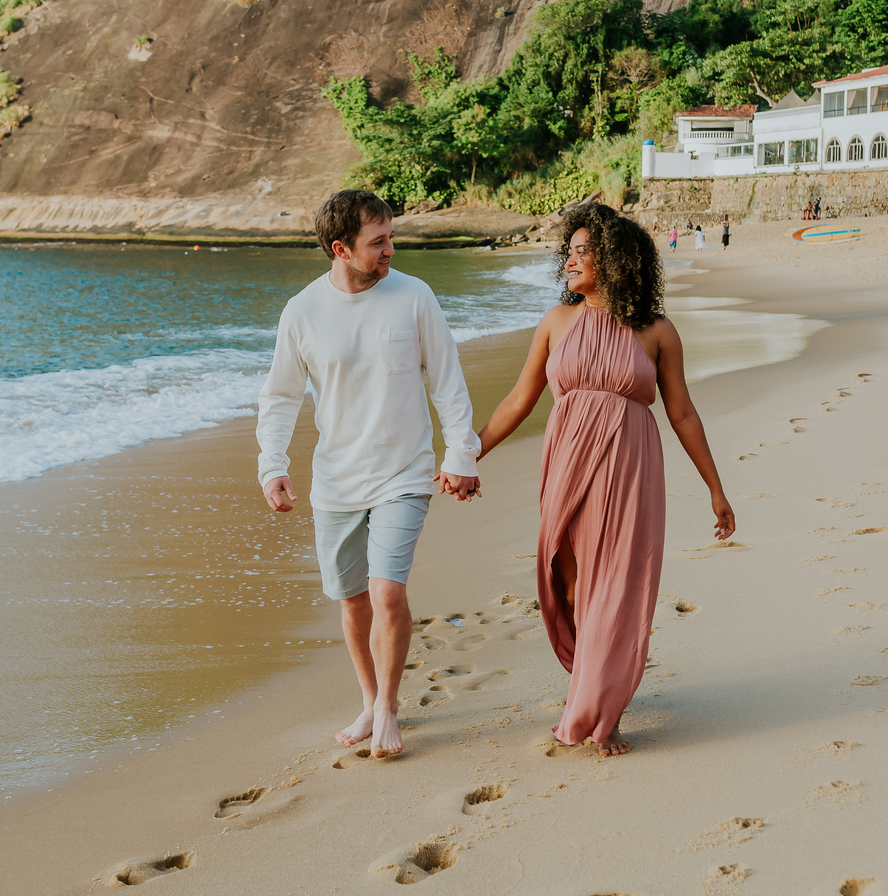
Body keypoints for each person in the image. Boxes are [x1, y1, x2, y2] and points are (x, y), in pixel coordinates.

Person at [475, 203, 734, 756]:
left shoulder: (657, 332)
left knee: (615, 583)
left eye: (582, 250)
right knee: (565, 576)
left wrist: (715, 487)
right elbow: (520, 401)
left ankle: (602, 712)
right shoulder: (556, 322)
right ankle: (587, 684)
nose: (570, 259)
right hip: (568, 461)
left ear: (616, 259)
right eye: (568, 251)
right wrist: (466, 454)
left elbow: (682, 413)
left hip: (630, 465)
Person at [257, 189, 481, 758]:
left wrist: (462, 454)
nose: (390, 250)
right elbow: (280, 397)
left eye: (389, 237)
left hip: (404, 472)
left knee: (387, 592)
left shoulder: (415, 296)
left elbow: (447, 382)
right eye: (377, 242)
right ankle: (368, 698)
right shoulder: (302, 311)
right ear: (341, 249)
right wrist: (272, 467)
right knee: (352, 599)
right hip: (335, 479)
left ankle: (388, 708)